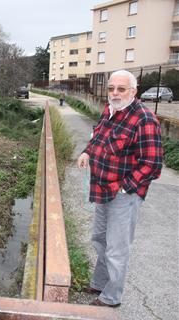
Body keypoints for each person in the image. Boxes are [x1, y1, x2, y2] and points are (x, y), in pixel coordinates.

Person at [77, 70, 162, 308]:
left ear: (133, 92)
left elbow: (152, 165)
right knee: (100, 239)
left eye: (121, 89)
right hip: (102, 188)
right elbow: (98, 137)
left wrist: (126, 188)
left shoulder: (144, 119)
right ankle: (100, 282)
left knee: (117, 247)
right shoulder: (111, 110)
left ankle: (111, 298)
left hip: (123, 195)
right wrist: (86, 151)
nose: (115, 93)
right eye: (112, 88)